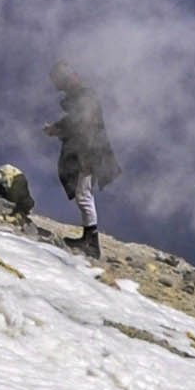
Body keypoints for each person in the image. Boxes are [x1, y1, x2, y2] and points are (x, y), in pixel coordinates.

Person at [47, 66, 116, 259]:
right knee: (83, 194)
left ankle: (91, 243)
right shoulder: (83, 94)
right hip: (89, 150)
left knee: (83, 195)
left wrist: (56, 128)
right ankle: (89, 239)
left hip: (87, 152)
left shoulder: (83, 96)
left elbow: (80, 121)